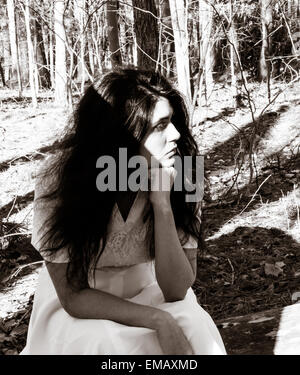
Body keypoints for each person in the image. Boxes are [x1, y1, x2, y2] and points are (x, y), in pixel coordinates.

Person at [21, 68, 226, 355]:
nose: (176, 133)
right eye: (161, 124)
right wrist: (158, 320)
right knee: (106, 343)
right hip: (80, 304)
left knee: (193, 323)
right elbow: (72, 294)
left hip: (148, 287)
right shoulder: (61, 180)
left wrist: (162, 205)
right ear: (122, 134)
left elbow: (177, 290)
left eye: (173, 120)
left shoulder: (186, 173)